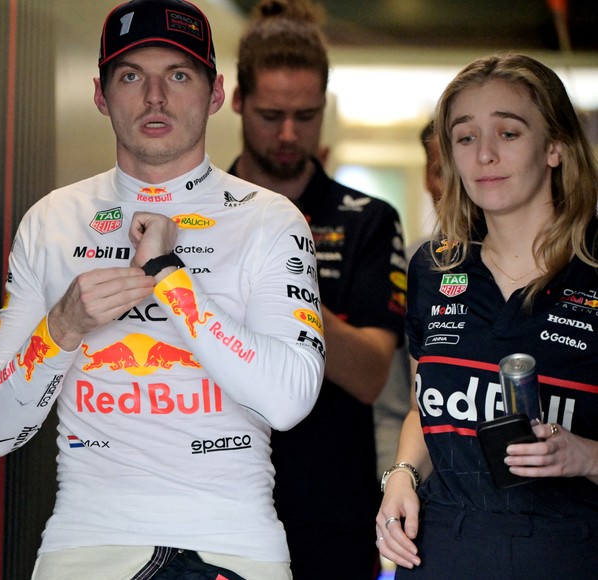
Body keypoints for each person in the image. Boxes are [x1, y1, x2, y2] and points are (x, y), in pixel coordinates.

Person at [0, 1, 326, 578]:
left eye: (178, 75)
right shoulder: (51, 220)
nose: (155, 97)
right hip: (88, 540)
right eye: (132, 76)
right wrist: (61, 328)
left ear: (215, 95)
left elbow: (288, 403)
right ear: (100, 94)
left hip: (234, 538)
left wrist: (170, 277)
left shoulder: (271, 219)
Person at [376, 53, 598, 578]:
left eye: (509, 133)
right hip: (444, 548)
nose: (486, 155)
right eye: (466, 137)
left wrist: (586, 456)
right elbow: (421, 407)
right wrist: (403, 475)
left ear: (555, 148)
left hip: (569, 550)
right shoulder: (432, 269)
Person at [227, 1, 406, 577]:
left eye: (305, 116)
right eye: (270, 114)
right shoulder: (191, 212)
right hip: (211, 508)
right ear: (235, 102)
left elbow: (372, 375)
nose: (287, 134)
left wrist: (290, 284)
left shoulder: (367, 220)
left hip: (330, 515)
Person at [374, 121, 443, 481]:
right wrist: (396, 484)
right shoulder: (419, 263)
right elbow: (395, 405)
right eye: (439, 171)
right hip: (429, 489)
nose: (451, 186)